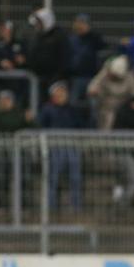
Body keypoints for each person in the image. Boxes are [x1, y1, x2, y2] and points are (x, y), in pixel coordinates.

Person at [0, 90, 35, 217]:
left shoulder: (19, 113)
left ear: (12, 101)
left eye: (8, 99)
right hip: (0, 150)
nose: (5, 102)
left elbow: (35, 127)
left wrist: (30, 120)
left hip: (19, 151)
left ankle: (23, 206)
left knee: (23, 179)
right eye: (3, 99)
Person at [39, 81, 84, 212]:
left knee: (75, 178)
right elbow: (41, 126)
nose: (61, 95)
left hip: (72, 146)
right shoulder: (47, 109)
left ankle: (76, 206)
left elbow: (81, 125)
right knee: (52, 178)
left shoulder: (72, 109)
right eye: (58, 92)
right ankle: (51, 207)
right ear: (52, 95)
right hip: (54, 147)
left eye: (63, 92)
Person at [86, 55, 134, 130]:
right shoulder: (105, 74)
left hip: (124, 108)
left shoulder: (130, 77)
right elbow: (91, 89)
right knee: (106, 115)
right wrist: (96, 89)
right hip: (106, 107)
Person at [27, 7, 71, 95]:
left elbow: (64, 58)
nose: (37, 25)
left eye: (40, 22)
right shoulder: (38, 37)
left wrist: (58, 76)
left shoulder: (60, 36)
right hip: (39, 78)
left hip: (55, 79)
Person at [68, 13, 107, 103]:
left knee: (94, 104)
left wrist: (89, 33)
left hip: (92, 77)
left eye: (83, 23)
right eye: (78, 23)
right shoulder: (71, 39)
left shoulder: (93, 38)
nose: (80, 26)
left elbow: (102, 46)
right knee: (73, 102)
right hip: (75, 77)